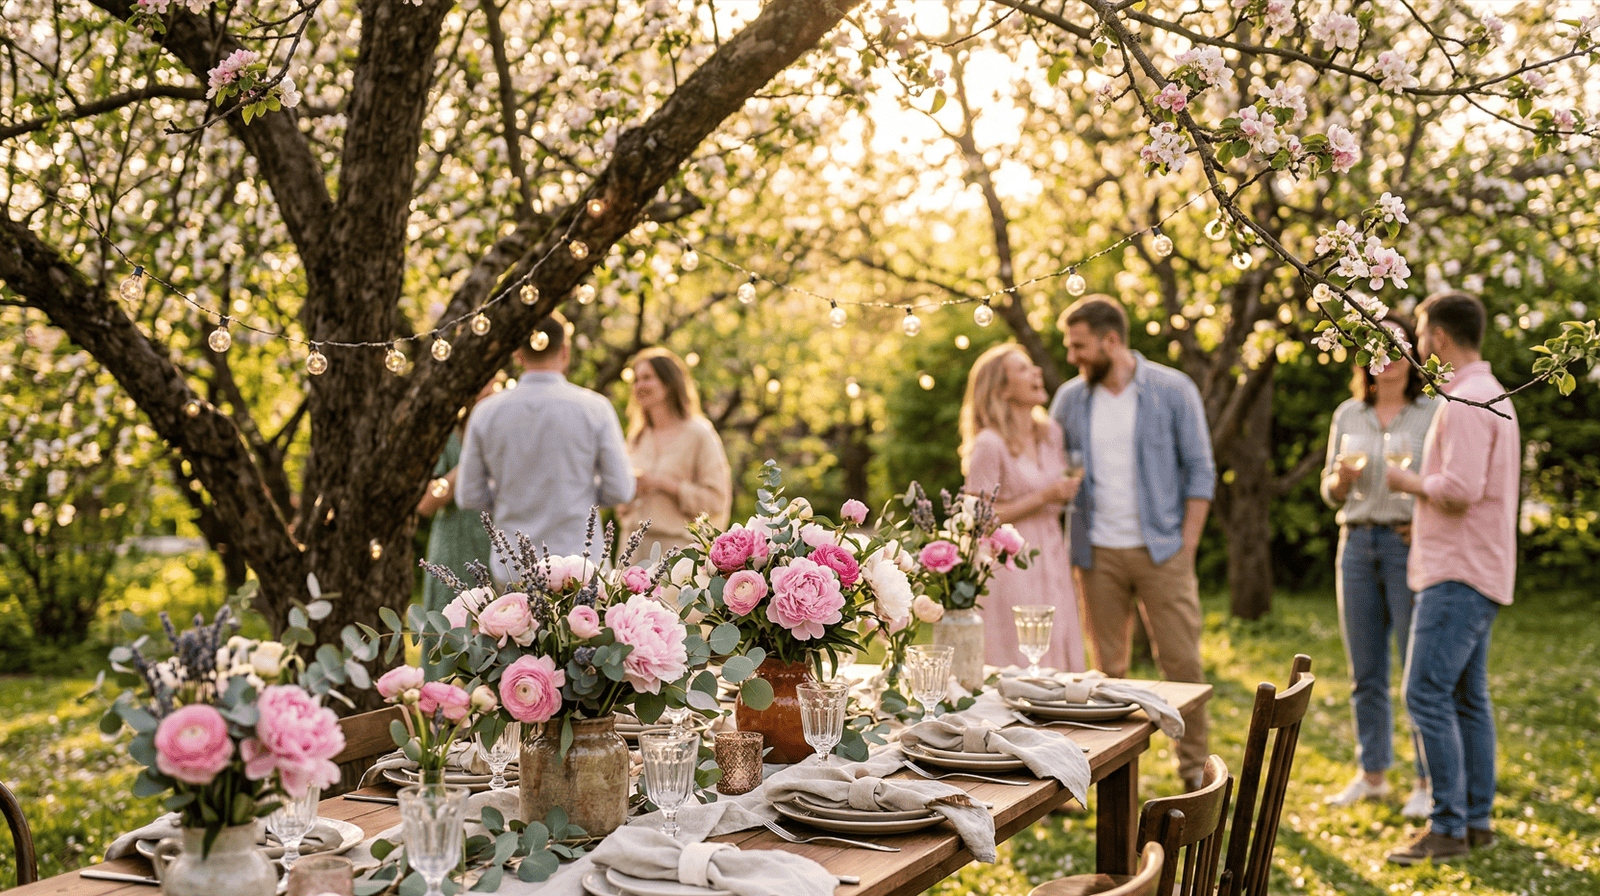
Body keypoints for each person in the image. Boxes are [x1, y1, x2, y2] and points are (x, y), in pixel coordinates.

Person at [1048, 294, 1215, 790]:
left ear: (1111, 340)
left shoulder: (1171, 389)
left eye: (1079, 346)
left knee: (1182, 664)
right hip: (1094, 554)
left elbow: (1201, 470)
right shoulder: (1069, 400)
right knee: (1110, 673)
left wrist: (1186, 545)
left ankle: (1196, 776)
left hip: (1162, 551)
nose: (1073, 356)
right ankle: (1119, 779)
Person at [1383, 291, 1520, 865]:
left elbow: (1460, 491)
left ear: (1438, 336)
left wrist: (1406, 482)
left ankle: (1447, 827)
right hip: (1477, 565)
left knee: (1426, 692)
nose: (1417, 345)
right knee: (1466, 696)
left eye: (1419, 333)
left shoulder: (1466, 400)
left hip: (1457, 573)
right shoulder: (1495, 396)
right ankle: (1478, 820)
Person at [1319, 315, 1437, 817]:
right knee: (1365, 672)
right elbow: (1329, 489)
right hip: (1356, 546)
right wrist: (1341, 483)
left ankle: (1428, 782)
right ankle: (1372, 774)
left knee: (1418, 670)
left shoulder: (1433, 412)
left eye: (1396, 343)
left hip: (1407, 546)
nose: (1386, 354)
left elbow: (1444, 483)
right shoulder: (1349, 413)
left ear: (1412, 352)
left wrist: (1425, 525)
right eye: (1375, 345)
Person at [457, 313, 635, 577]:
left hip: (514, 565)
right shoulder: (595, 408)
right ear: (565, 350)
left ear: (517, 354)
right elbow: (620, 489)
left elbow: (468, 495)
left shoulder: (486, 412)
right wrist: (578, 495)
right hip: (581, 564)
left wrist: (511, 500)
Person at [959, 343, 1087, 673]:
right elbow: (978, 520)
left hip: (1051, 552)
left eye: (1032, 366)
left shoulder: (1051, 434)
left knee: (1056, 639)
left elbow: (1054, 492)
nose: (1037, 372)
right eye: (1023, 369)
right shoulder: (990, 444)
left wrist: (1065, 491)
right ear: (1001, 389)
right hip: (1010, 564)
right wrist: (1045, 496)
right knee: (1021, 651)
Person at [616, 347, 733, 562]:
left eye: (647, 378)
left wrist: (664, 484)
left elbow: (717, 500)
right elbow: (620, 506)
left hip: (677, 555)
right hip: (630, 552)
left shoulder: (699, 434)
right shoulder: (637, 437)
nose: (639, 386)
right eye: (636, 380)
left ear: (669, 383)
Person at [417, 373, 506, 610]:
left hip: (500, 551)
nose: (490, 389)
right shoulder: (445, 435)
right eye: (484, 383)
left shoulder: (507, 433)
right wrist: (472, 455)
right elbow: (425, 504)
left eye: (494, 382)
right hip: (454, 552)